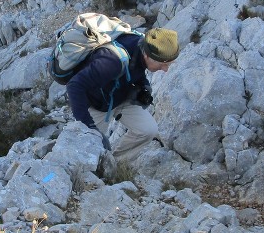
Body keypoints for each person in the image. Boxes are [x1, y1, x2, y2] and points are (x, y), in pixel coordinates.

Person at [66, 27, 179, 163]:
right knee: (85, 153)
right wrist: (88, 126)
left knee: (148, 130)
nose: (166, 70)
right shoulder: (111, 62)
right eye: (162, 65)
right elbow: (74, 85)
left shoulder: (142, 46)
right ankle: (55, 178)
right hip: (96, 105)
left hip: (120, 98)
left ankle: (113, 164)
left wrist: (142, 85)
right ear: (148, 55)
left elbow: (135, 67)